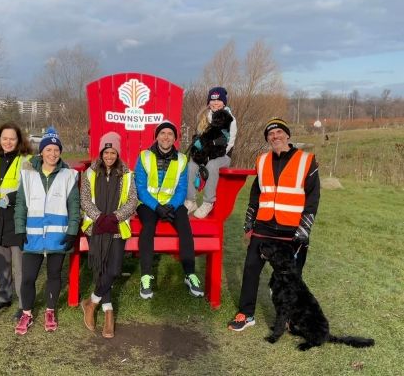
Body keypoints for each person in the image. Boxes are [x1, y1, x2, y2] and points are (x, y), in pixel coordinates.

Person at [227, 118, 320, 331]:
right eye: (270, 134)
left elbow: (313, 198)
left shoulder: (307, 160)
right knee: (250, 269)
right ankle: (246, 313)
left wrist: (304, 229)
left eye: (279, 132)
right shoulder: (261, 160)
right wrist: (248, 225)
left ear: (287, 135)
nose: (275, 136)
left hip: (292, 230)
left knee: (291, 276)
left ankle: (289, 318)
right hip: (264, 227)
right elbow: (255, 195)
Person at [13, 127, 80, 335]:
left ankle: (50, 311)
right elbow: (21, 205)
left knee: (54, 275)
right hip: (32, 236)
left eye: (56, 150)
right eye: (48, 149)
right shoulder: (28, 174)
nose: (52, 154)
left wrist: (72, 231)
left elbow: (74, 207)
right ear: (41, 152)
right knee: (28, 277)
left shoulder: (69, 175)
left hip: (57, 237)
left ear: (60, 152)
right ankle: (27, 313)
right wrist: (19, 229)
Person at [134, 120, 204, 299]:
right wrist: (157, 207)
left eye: (170, 134)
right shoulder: (144, 156)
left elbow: (181, 188)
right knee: (148, 226)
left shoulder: (182, 159)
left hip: (173, 204)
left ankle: (190, 274)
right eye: (162, 133)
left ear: (175, 138)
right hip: (148, 205)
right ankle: (146, 276)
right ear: (157, 136)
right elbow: (140, 188)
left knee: (185, 226)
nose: (166, 137)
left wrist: (171, 206)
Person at [79, 132, 138, 338]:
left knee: (113, 270)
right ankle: (108, 311)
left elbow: (132, 201)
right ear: (101, 152)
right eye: (106, 151)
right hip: (95, 227)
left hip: (116, 227)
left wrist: (114, 217)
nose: (109, 156)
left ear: (118, 153)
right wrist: (99, 218)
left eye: (113, 152)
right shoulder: (89, 173)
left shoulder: (127, 174)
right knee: (100, 269)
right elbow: (84, 199)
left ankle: (91, 302)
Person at [0, 122, 33, 320]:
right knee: (0, 261)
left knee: (20, 264)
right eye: (5, 138)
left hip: (16, 218)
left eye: (12, 138)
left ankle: (23, 302)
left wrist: (8, 199)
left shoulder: (26, 160)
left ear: (19, 140)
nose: (8, 142)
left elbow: (28, 188)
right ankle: (4, 296)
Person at [185, 87, 238, 218]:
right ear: (209, 102)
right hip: (204, 154)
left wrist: (210, 155)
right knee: (191, 165)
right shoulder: (204, 117)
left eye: (218, 100)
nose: (215, 103)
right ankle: (191, 200)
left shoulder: (230, 119)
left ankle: (208, 202)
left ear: (224, 102)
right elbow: (199, 137)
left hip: (222, 155)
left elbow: (230, 143)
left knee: (212, 165)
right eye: (212, 100)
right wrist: (199, 152)